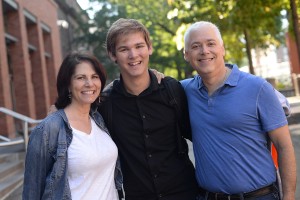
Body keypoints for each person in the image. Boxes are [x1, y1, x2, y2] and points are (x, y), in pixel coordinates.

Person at [181, 21, 296, 200]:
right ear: (186, 55)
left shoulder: (258, 88)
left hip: (259, 196)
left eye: (211, 44)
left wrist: (288, 197)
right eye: (196, 46)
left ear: (222, 49)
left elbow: (284, 146)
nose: (204, 51)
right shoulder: (184, 91)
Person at [98, 18, 198, 200]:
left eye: (139, 46)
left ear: (149, 48)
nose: (133, 55)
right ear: (112, 55)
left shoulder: (172, 90)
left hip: (184, 193)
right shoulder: (105, 103)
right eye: (123, 49)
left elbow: (199, 135)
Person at [23, 52, 122, 200]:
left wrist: (152, 74)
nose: (89, 83)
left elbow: (124, 88)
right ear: (68, 84)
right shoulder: (48, 130)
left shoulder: (99, 119)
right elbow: (32, 191)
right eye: (81, 78)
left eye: (94, 77)